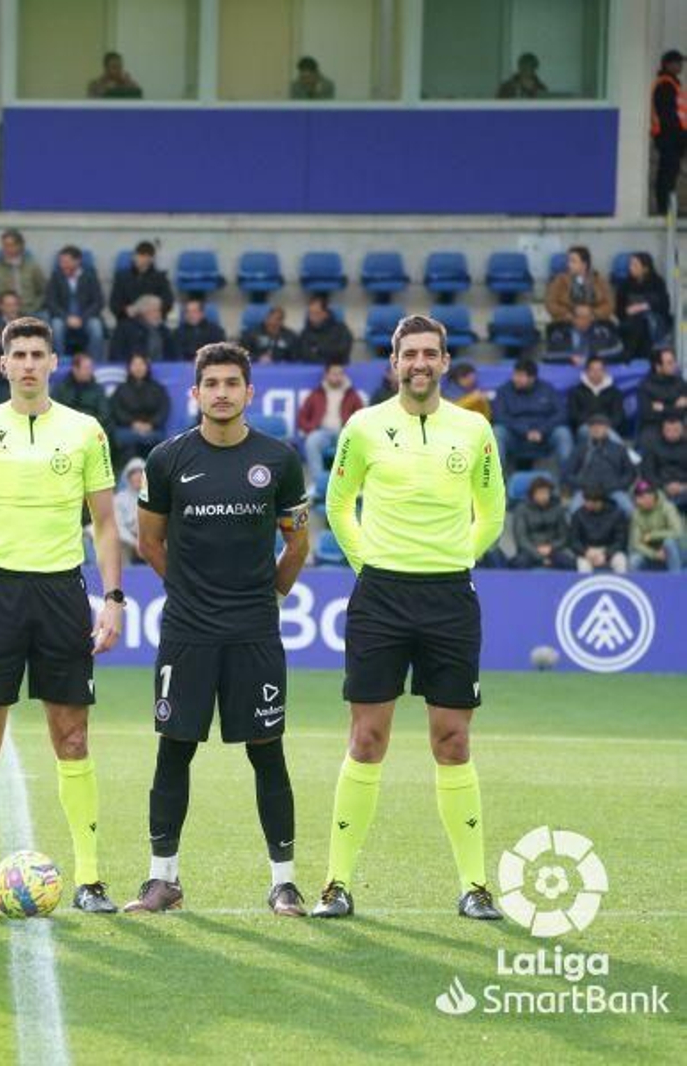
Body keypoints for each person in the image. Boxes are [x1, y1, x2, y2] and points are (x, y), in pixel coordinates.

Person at [313, 313, 505, 922]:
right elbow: (338, 503)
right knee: (367, 739)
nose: (419, 363)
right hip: (381, 599)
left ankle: (475, 885)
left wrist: (457, 557)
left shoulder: (474, 429)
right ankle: (336, 883)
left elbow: (492, 511)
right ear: (393, 364)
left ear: (445, 362)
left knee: (452, 741)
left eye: (430, 353)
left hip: (450, 598)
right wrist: (368, 560)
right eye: (409, 354)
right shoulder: (364, 427)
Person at [0, 316, 123, 915]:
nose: (30, 363)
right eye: (20, 354)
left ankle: (90, 879)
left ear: (54, 363)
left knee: (72, 736)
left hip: (62, 594)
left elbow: (107, 524)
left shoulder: (86, 430)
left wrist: (113, 599)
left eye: (40, 353)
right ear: (5, 364)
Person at [132, 343, 311, 916]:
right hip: (188, 632)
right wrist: (187, 592)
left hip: (254, 633)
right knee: (174, 749)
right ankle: (164, 880)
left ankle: (284, 882)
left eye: (233, 383)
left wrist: (270, 595)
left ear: (249, 392)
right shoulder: (166, 460)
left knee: (267, 752)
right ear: (195, 393)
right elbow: (149, 541)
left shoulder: (279, 460)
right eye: (211, 383)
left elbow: (297, 541)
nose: (222, 392)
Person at [492, 359, 573, 469]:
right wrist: (525, 431)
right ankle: (496, 482)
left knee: (563, 433)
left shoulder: (547, 389)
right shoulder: (504, 391)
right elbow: (499, 416)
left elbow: (562, 413)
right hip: (515, 436)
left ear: (532, 378)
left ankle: (567, 481)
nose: (515, 379)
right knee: (497, 432)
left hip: (544, 436)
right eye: (515, 375)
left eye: (520, 376)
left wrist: (542, 430)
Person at [296, 359, 363, 472]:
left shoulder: (352, 394)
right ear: (326, 375)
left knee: (356, 444)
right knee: (311, 442)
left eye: (340, 374)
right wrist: (311, 429)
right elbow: (301, 417)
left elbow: (362, 417)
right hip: (322, 432)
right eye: (334, 374)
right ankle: (318, 482)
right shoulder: (316, 394)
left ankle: (345, 483)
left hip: (344, 431)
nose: (337, 377)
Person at [562, 415, 636, 514]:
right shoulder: (580, 449)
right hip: (586, 491)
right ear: (589, 429)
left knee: (630, 510)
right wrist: (583, 483)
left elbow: (630, 473)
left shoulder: (619, 449)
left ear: (607, 428)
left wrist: (617, 485)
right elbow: (567, 474)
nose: (596, 429)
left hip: (613, 489)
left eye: (600, 426)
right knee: (573, 511)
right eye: (593, 426)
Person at [44, 246, 106, 359]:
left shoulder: (90, 275)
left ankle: (95, 362)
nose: (63, 265)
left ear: (77, 261)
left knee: (96, 327)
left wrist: (82, 318)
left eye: (66, 262)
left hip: (86, 316)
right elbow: (50, 302)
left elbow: (98, 302)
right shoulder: (56, 275)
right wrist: (66, 317)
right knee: (56, 327)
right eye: (61, 262)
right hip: (63, 317)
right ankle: (60, 361)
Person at [109, 352, 169, 461]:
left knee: (154, 442)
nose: (138, 368)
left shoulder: (157, 388)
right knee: (122, 438)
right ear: (129, 367)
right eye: (135, 364)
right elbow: (116, 410)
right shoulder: (121, 389)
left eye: (141, 364)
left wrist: (151, 424)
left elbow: (164, 409)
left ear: (147, 367)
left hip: (152, 429)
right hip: (127, 427)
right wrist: (133, 423)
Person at [509, 476, 574, 570]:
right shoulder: (521, 510)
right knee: (518, 563)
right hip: (530, 550)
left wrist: (551, 547)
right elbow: (521, 539)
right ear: (532, 494)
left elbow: (564, 536)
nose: (544, 496)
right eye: (540, 493)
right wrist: (539, 555)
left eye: (546, 493)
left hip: (553, 550)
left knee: (569, 562)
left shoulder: (557, 509)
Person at [616, 252, 671, 362]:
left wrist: (644, 306)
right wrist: (627, 310)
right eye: (630, 264)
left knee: (643, 321)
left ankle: (630, 354)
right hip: (632, 321)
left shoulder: (657, 282)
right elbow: (619, 308)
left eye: (635, 265)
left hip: (654, 321)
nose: (630, 268)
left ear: (645, 268)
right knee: (637, 322)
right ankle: (642, 356)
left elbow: (664, 305)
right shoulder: (626, 284)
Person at [545, 246, 615, 325]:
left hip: (594, 320)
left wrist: (592, 312)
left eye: (573, 261)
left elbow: (609, 305)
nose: (568, 265)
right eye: (568, 261)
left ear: (584, 264)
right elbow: (550, 304)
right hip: (567, 320)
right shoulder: (560, 281)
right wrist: (570, 313)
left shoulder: (599, 281)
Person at [652, 50, 685, 215]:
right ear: (668, 64)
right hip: (669, 137)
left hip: (671, 137)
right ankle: (665, 209)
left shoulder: (672, 83)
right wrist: (679, 135)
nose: (681, 66)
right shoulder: (666, 84)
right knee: (667, 173)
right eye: (677, 62)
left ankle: (667, 207)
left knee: (670, 172)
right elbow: (669, 114)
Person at [0, 229, 47, 314]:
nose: (7, 249)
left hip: (27, 310)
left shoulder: (33, 267)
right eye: (5, 245)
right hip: (0, 311)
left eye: (11, 245)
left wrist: (34, 307)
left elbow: (42, 292)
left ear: (20, 246)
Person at [569, 486, 629, 573]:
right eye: (587, 501)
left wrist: (606, 554)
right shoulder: (578, 515)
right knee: (583, 565)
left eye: (592, 502)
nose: (588, 504)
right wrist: (585, 552)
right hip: (587, 551)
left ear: (601, 502)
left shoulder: (617, 514)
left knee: (620, 560)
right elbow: (574, 540)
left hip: (609, 550)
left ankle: (621, 586)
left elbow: (621, 540)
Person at [110, 241, 174, 324]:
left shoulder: (160, 278)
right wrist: (126, 311)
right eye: (136, 255)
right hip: (128, 320)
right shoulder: (122, 277)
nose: (136, 258)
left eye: (142, 256)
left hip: (152, 321)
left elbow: (168, 302)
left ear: (150, 259)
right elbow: (114, 303)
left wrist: (152, 310)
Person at [629, 481, 684, 571]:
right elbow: (636, 543)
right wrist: (654, 554)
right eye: (638, 498)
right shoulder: (637, 514)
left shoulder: (667, 507)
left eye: (644, 497)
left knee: (669, 542)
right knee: (634, 560)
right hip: (654, 552)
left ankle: (675, 580)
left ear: (653, 496)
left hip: (677, 551)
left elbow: (678, 532)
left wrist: (652, 535)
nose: (640, 501)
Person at [52, 352, 112, 433]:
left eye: (91, 368)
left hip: (91, 430)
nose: (90, 372)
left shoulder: (98, 389)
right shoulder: (61, 388)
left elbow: (104, 414)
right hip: (67, 429)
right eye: (86, 368)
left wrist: (88, 424)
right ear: (75, 369)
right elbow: (53, 412)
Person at [566, 355, 626, 435]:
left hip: (608, 428)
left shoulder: (615, 392)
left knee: (608, 433)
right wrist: (593, 425)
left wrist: (604, 426)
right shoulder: (575, 391)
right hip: (585, 428)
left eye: (599, 370)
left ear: (605, 371)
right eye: (593, 370)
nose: (596, 373)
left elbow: (618, 415)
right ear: (586, 371)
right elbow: (573, 415)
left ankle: (620, 447)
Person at [637, 348, 687, 444]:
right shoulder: (645, 386)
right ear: (658, 367)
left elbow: (683, 411)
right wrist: (675, 407)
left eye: (674, 361)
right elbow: (647, 414)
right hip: (654, 427)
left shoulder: (680, 382)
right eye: (669, 363)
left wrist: (663, 408)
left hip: (679, 425)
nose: (674, 366)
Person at [639, 413, 687, 510]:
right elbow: (647, 473)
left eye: (676, 430)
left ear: (683, 430)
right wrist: (664, 486)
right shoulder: (653, 446)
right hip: (660, 487)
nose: (672, 434)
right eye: (668, 430)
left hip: (684, 487)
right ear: (662, 430)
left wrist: (683, 487)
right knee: (645, 492)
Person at [549, 304, 623, 365]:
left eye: (588, 317)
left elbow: (618, 351)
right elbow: (550, 356)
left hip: (596, 371)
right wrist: (569, 358)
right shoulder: (560, 335)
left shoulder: (603, 333)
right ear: (573, 318)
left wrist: (592, 358)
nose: (585, 320)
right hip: (568, 371)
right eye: (581, 317)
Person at [110, 295, 172, 363]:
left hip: (164, 368)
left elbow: (173, 355)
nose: (159, 314)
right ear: (144, 312)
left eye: (159, 310)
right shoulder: (125, 329)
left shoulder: (164, 331)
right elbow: (116, 353)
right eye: (155, 310)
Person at [301, 296, 353, 364]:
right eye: (310, 313)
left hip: (337, 369)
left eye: (316, 313)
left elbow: (342, 352)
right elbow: (305, 354)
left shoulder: (341, 329)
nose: (311, 317)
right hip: (313, 368)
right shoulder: (305, 333)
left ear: (325, 313)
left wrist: (318, 349)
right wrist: (328, 351)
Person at [172, 297, 225, 363]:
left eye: (194, 311)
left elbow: (219, 352)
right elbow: (176, 354)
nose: (190, 315)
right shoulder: (177, 333)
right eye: (187, 312)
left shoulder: (215, 331)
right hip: (185, 367)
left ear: (202, 313)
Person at [114, 459, 146, 563]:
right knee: (117, 542)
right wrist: (134, 542)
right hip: (128, 540)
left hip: (150, 537)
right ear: (128, 478)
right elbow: (118, 526)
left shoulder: (155, 496)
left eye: (141, 473)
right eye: (134, 474)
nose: (137, 477)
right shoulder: (119, 498)